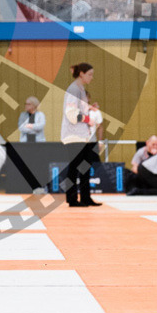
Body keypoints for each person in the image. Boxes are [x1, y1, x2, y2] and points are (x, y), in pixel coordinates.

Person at [62, 63, 103, 207]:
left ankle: (86, 197)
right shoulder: (74, 89)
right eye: (90, 74)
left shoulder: (80, 89)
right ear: (82, 74)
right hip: (73, 136)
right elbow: (71, 114)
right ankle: (72, 199)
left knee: (85, 167)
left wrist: (90, 108)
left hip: (82, 135)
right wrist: (88, 119)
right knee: (74, 167)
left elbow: (80, 109)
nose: (92, 77)